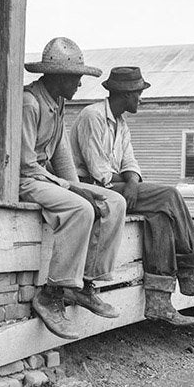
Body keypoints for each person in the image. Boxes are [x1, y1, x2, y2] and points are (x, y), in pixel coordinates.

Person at [70, 66, 194, 326]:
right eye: (138, 94)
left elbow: (129, 161)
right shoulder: (93, 116)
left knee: (160, 216)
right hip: (90, 190)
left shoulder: (121, 124)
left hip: (114, 188)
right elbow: (100, 171)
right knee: (169, 195)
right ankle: (190, 272)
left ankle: (159, 302)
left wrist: (133, 182)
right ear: (126, 94)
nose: (140, 99)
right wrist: (130, 184)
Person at [20, 38, 127, 340]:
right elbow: (25, 164)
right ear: (59, 76)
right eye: (76, 78)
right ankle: (51, 294)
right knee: (80, 209)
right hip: (26, 179)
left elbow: (61, 155)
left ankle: (85, 284)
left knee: (114, 202)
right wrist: (73, 190)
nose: (80, 84)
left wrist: (83, 188)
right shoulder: (30, 103)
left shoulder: (57, 102)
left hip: (46, 179)